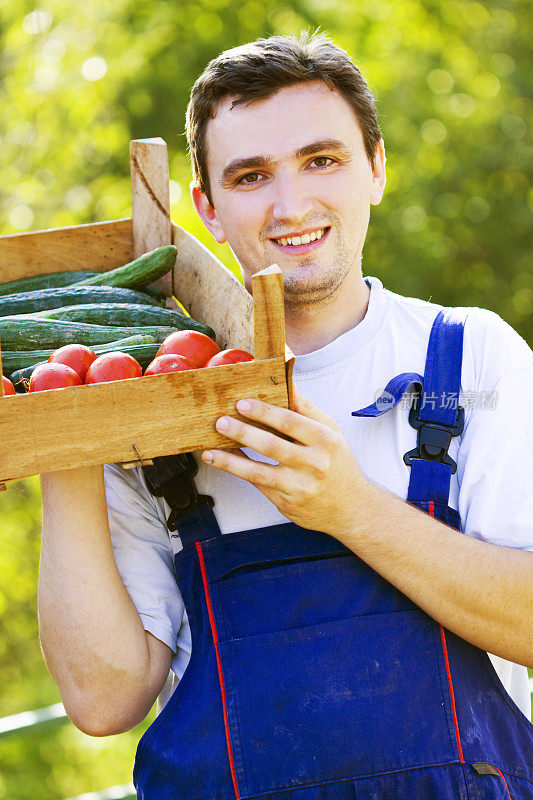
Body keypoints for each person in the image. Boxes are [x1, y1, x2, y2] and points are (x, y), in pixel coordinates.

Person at [39, 31, 533, 799]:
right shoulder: (146, 395)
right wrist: (63, 438)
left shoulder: (472, 362)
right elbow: (103, 703)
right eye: (250, 175)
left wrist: (349, 509)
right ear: (205, 204)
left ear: (375, 168)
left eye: (321, 160)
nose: (291, 203)